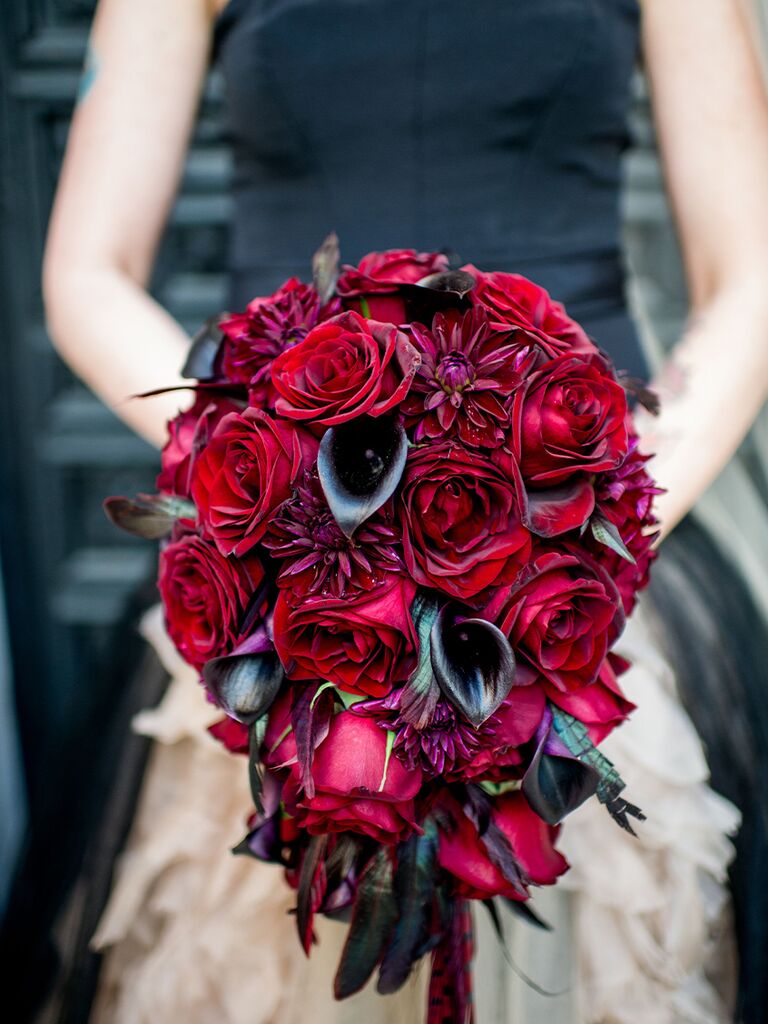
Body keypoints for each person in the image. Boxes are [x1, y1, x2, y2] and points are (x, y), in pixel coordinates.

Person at [41, 0, 768, 1021]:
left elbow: (750, 277)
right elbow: (85, 271)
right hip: (286, 561)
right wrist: (267, 467)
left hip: (583, 542)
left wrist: (596, 512)